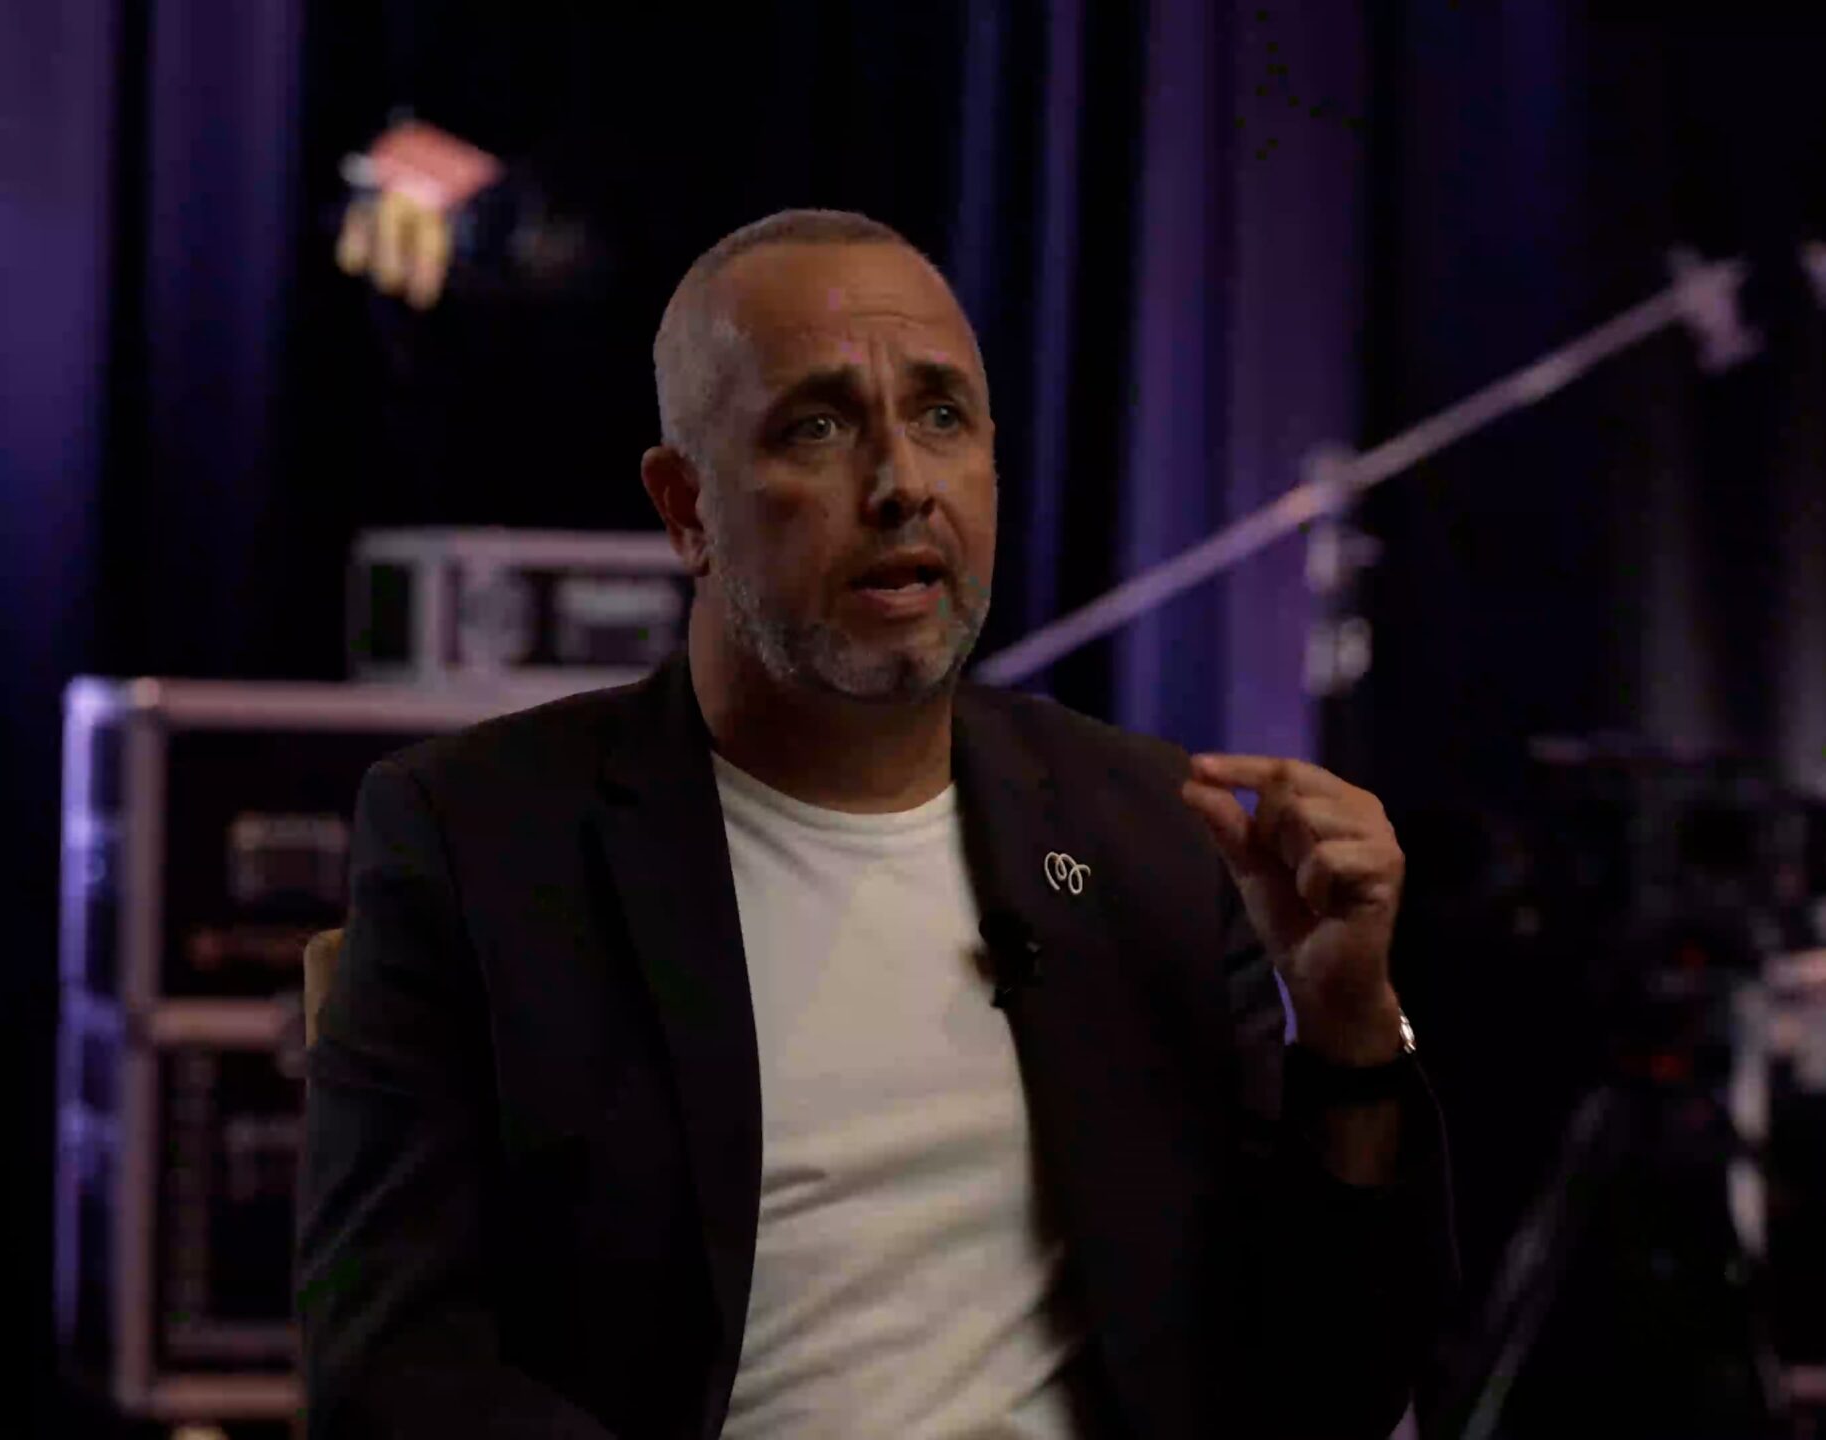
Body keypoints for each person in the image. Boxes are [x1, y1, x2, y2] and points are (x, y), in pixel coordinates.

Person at [294, 208, 1456, 1440]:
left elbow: (1326, 1389)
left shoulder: (1148, 832)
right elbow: (390, 1369)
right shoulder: (481, 841)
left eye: (943, 416)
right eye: (819, 426)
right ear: (686, 507)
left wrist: (1346, 1029)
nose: (903, 484)